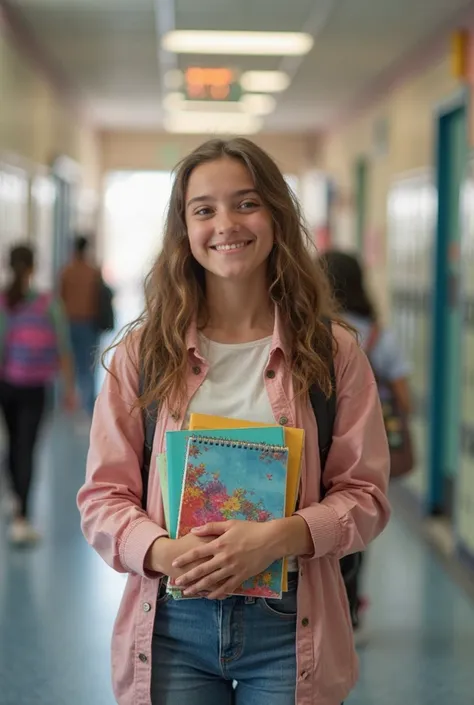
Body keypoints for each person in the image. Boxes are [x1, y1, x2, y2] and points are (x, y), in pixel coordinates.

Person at [77, 139, 391, 705]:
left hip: (289, 626)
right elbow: (102, 496)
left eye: (246, 203)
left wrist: (277, 539)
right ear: (184, 228)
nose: (226, 224)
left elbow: (365, 495)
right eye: (204, 209)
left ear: (275, 213)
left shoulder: (333, 352)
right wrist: (164, 551)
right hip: (174, 625)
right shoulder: (144, 354)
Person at [321, 249, 411, 643]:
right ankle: (352, 609)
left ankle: (326, 608)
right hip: (364, 448)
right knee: (353, 521)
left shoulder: (316, 331)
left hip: (321, 449)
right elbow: (405, 398)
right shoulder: (377, 335)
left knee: (320, 525)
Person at [0, 244, 75, 544]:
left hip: (6, 384)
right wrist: (69, 389)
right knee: (26, 448)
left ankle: (17, 501)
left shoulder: (4, 302)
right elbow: (64, 350)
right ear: (33, 267)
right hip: (36, 387)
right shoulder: (49, 303)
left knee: (11, 443)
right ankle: (22, 518)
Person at [60, 235, 101, 419]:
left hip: (69, 322)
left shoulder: (66, 272)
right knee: (89, 366)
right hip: (89, 323)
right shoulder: (92, 272)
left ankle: (69, 402)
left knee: (70, 363)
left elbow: (60, 298)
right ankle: (88, 408)